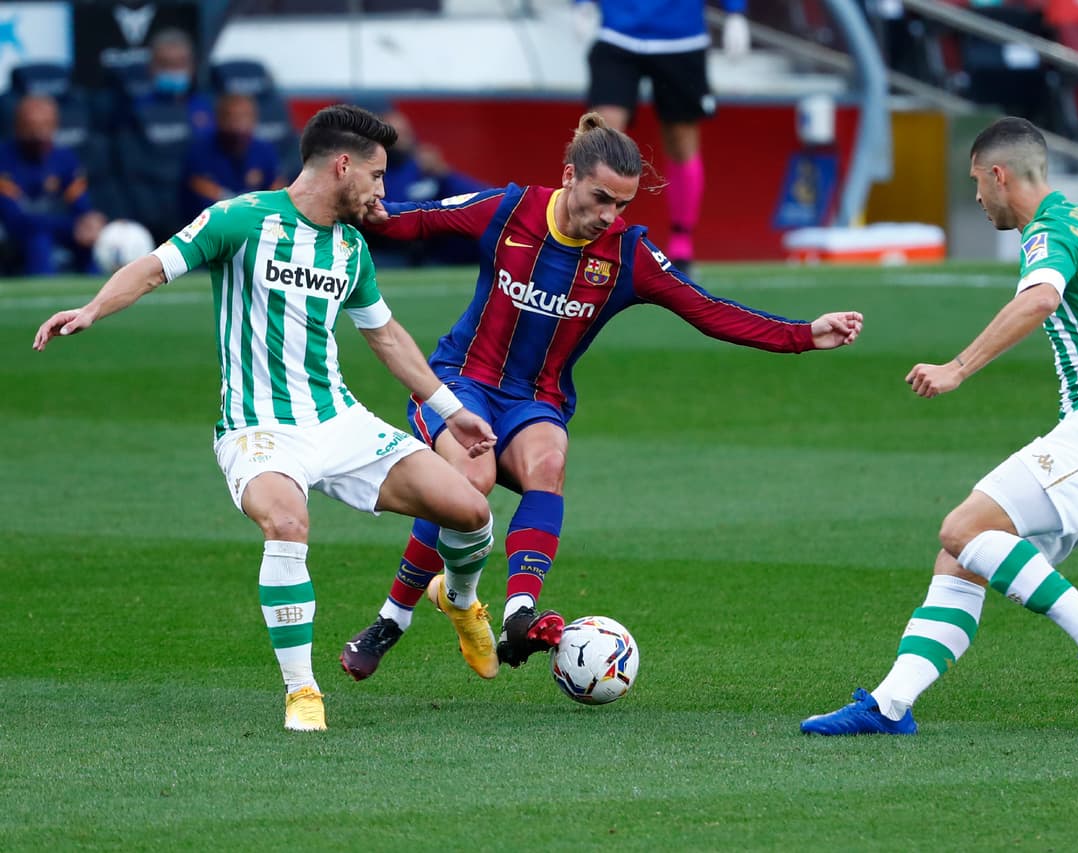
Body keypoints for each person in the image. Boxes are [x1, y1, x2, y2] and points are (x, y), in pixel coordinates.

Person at [338, 111, 863, 682]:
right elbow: (410, 221)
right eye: (601, 199)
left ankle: (519, 614)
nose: (609, 216)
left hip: (536, 399)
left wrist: (804, 334)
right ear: (569, 176)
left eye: (622, 205)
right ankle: (395, 618)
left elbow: (708, 310)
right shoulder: (509, 210)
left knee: (549, 461)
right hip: (460, 379)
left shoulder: (628, 254)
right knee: (472, 477)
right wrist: (339, 204)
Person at [32, 104, 502, 733]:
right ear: (342, 166)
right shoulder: (240, 219)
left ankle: (460, 600)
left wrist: (450, 411)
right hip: (258, 429)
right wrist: (92, 308)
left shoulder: (350, 248)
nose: (382, 191)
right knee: (286, 523)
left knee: (471, 510)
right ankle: (302, 690)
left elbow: (386, 337)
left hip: (338, 421)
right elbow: (153, 267)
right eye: (377, 175)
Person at [801, 116, 1078, 737]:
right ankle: (890, 705)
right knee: (961, 557)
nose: (978, 198)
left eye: (977, 183)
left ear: (999, 175)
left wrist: (956, 368)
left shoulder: (1047, 233)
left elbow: (1040, 298)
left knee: (962, 528)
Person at [574, 0, 752, 271]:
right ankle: (592, 236)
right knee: (602, 139)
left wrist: (735, 12)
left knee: (681, 141)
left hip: (681, 37)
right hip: (617, 31)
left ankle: (682, 245)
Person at [0, 94, 106, 276]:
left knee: (90, 234)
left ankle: (96, 284)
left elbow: (80, 203)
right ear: (18, 126)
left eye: (45, 125)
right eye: (31, 125)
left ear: (55, 125)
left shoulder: (65, 158)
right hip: (17, 233)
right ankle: (42, 286)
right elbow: (14, 217)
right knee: (38, 237)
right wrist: (72, 225)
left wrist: (89, 221)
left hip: (59, 226)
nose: (38, 132)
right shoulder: (4, 158)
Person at [370, 109, 488, 267]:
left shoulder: (424, 165)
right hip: (389, 251)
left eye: (405, 132)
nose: (402, 138)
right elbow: (388, 208)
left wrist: (444, 174)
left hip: (432, 250)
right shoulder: (374, 168)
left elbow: (478, 196)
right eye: (396, 133)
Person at [180, 93, 285, 221]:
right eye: (231, 117)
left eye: (245, 116)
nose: (238, 124)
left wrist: (267, 208)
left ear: (255, 119)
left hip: (256, 219)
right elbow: (198, 183)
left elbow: (277, 185)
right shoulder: (200, 148)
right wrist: (233, 202)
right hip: (212, 221)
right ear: (219, 119)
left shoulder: (264, 149)